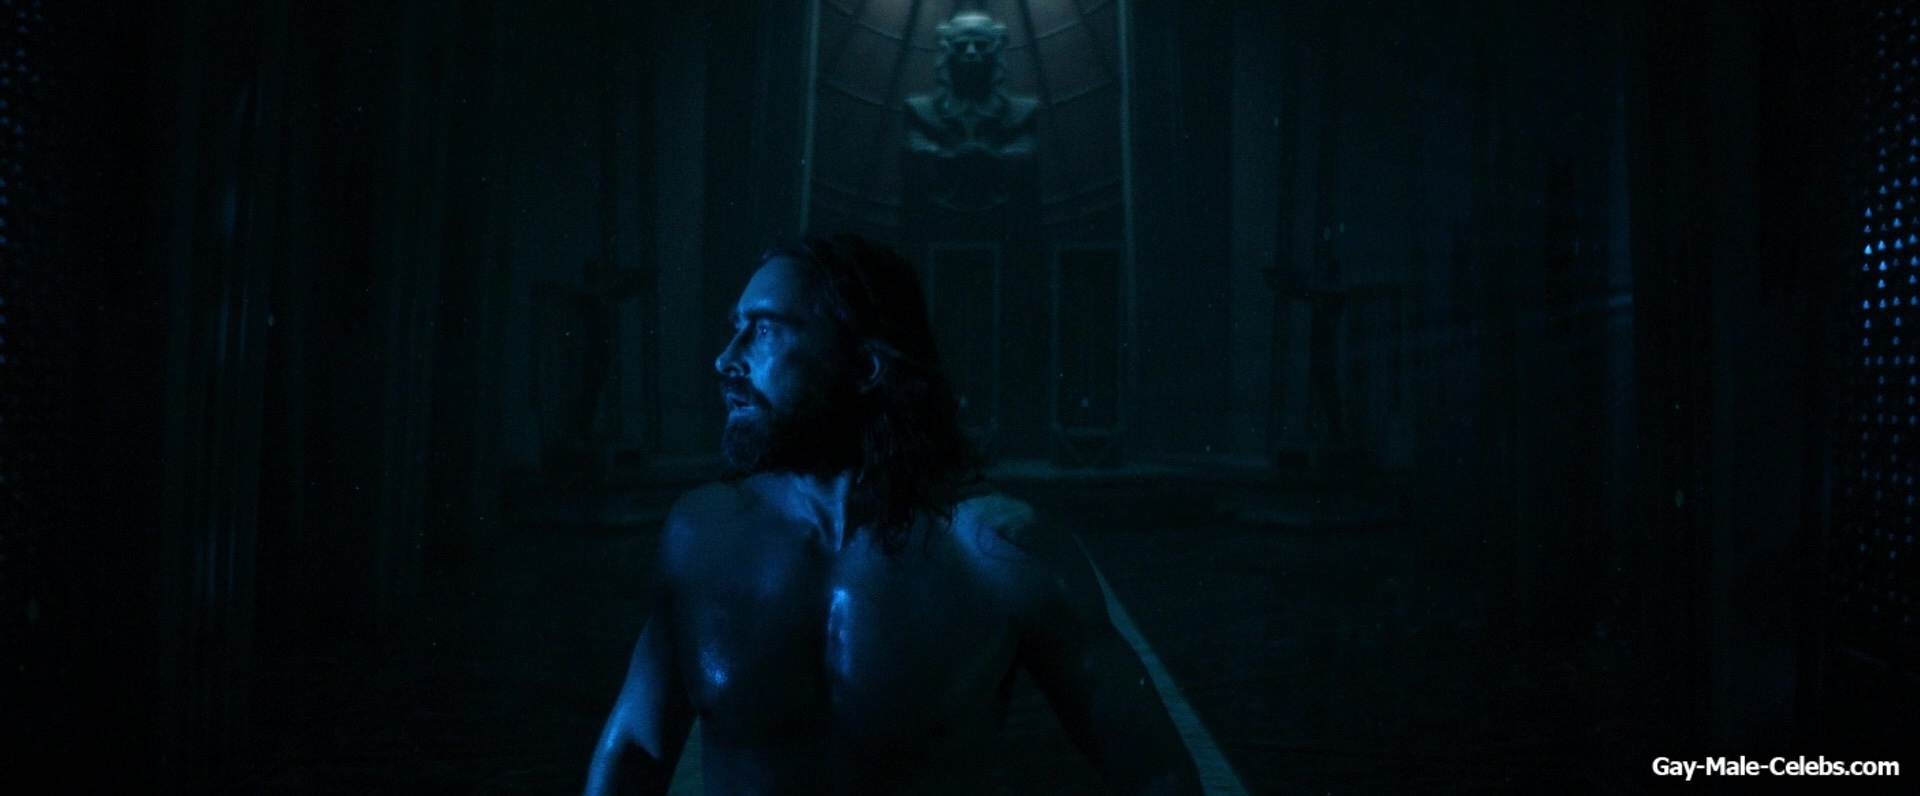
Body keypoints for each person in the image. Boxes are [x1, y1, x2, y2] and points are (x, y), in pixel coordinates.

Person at [584, 235, 1201, 795]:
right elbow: (636, 749)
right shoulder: (701, 535)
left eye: (765, 330)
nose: (726, 359)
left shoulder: (1001, 552)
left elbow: (1159, 775)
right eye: (735, 327)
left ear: (865, 367)